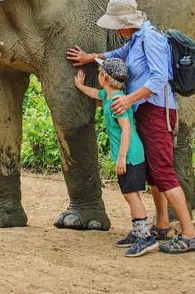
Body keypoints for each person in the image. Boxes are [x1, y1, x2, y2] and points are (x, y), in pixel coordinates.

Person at [67, 0, 195, 254]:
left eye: (117, 24)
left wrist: (128, 98)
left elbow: (159, 78)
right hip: (144, 110)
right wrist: (90, 57)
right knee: (153, 173)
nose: (116, 30)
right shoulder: (135, 39)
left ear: (126, 21)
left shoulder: (151, 39)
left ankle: (190, 234)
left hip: (157, 111)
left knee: (163, 172)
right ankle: (161, 226)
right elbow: (117, 54)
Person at [74, 58, 157, 257]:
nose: (98, 76)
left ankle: (145, 237)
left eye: (100, 73)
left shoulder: (117, 103)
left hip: (130, 154)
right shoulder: (110, 96)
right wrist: (80, 85)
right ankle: (137, 232)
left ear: (104, 78)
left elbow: (126, 129)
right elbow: (96, 94)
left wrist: (121, 158)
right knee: (129, 193)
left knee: (131, 195)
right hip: (128, 154)